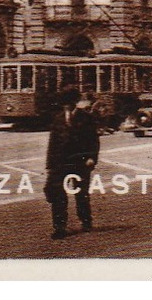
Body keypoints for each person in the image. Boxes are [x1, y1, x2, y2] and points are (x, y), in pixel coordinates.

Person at [44, 89, 99, 239]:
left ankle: (86, 221)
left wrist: (91, 158)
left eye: (68, 104)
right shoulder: (58, 119)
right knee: (59, 196)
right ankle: (60, 227)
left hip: (80, 161)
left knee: (81, 194)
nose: (66, 107)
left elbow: (93, 140)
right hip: (60, 163)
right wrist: (50, 166)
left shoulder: (86, 118)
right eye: (64, 104)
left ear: (73, 103)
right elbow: (53, 144)